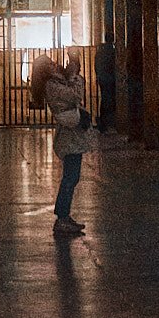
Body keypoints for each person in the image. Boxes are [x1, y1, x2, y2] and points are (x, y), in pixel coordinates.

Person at [46, 50, 91, 237]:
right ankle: (62, 217)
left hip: (72, 135)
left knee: (72, 177)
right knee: (70, 177)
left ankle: (64, 216)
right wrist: (74, 76)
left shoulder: (57, 82)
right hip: (68, 136)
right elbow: (75, 95)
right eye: (50, 64)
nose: (55, 64)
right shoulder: (52, 86)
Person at [94, 37, 118, 135]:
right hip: (111, 79)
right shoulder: (113, 52)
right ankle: (110, 123)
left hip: (103, 79)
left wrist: (99, 76)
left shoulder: (100, 52)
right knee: (111, 101)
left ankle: (104, 123)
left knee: (105, 100)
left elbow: (97, 67)